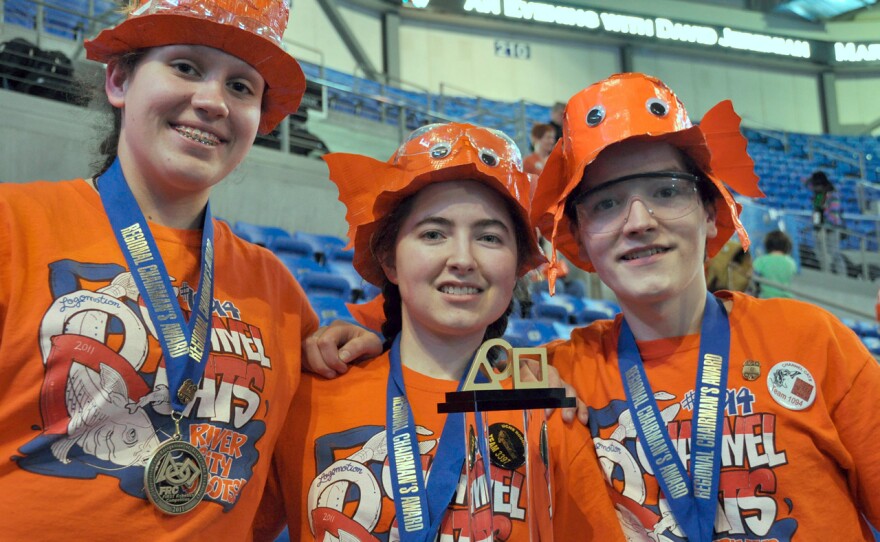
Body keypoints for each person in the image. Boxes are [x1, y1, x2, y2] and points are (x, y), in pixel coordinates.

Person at [0, 1, 378, 538]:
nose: (213, 101)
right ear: (118, 80)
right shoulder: (13, 226)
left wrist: (340, 356)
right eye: (185, 67)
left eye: (241, 87)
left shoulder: (276, 290)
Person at [531, 72, 880, 540]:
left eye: (667, 190)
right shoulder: (557, 374)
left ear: (712, 211)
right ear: (580, 240)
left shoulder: (814, 341)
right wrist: (522, 393)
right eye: (607, 203)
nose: (638, 222)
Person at [254, 122, 624, 541]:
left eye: (488, 237)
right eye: (434, 234)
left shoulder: (548, 412)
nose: (462, 258)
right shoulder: (307, 397)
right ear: (390, 261)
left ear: (517, 266)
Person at [751, 230, 797, 298]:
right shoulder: (791, 262)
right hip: (787, 299)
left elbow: (752, 274)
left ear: (767, 244)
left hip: (767, 297)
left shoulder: (761, 260)